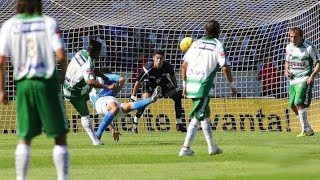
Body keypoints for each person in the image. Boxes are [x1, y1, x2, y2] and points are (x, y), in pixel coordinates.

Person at [0, 0, 69, 179]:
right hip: (46, 83)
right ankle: (63, 177)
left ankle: (20, 178)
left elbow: (1, 61)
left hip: (23, 84)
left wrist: (2, 90)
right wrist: (61, 78)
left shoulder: (9, 25)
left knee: (25, 136)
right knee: (59, 136)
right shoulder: (49, 22)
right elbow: (61, 56)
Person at [179, 19, 237, 156]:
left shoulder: (195, 44)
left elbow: (184, 65)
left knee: (204, 115)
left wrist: (184, 86)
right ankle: (185, 148)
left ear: (204, 30)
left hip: (191, 83)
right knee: (198, 115)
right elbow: (225, 68)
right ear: (219, 32)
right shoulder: (218, 45)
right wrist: (232, 86)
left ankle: (212, 147)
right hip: (203, 85)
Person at [63, 40, 117, 145]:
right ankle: (95, 140)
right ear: (95, 52)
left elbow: (92, 70)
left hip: (68, 85)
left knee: (96, 97)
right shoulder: (89, 63)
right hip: (74, 92)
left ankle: (108, 126)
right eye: (99, 52)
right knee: (85, 114)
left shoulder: (81, 52)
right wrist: (107, 86)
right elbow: (90, 81)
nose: (100, 55)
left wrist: (103, 76)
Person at [89, 73, 162, 140]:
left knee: (129, 106)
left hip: (102, 105)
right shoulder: (105, 77)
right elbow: (122, 79)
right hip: (104, 99)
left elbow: (105, 116)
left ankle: (151, 99)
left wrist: (113, 129)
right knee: (115, 107)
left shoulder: (90, 92)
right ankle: (97, 135)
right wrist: (117, 88)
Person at [130, 50, 187, 133]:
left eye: (161, 58)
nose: (159, 60)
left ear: (164, 59)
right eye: (157, 58)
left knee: (177, 96)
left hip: (163, 83)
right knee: (145, 101)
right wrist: (133, 95)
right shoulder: (147, 68)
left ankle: (179, 124)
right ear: (153, 58)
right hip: (149, 83)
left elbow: (172, 77)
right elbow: (138, 82)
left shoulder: (167, 66)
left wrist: (176, 88)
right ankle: (134, 124)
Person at [284, 27, 320, 137]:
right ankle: (308, 128)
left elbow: (318, 63)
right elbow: (287, 61)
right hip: (293, 80)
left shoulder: (309, 47)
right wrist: (286, 70)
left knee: (298, 102)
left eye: (295, 37)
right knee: (292, 105)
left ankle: (304, 129)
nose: (292, 39)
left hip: (304, 78)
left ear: (301, 36)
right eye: (291, 37)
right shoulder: (289, 47)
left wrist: (312, 76)